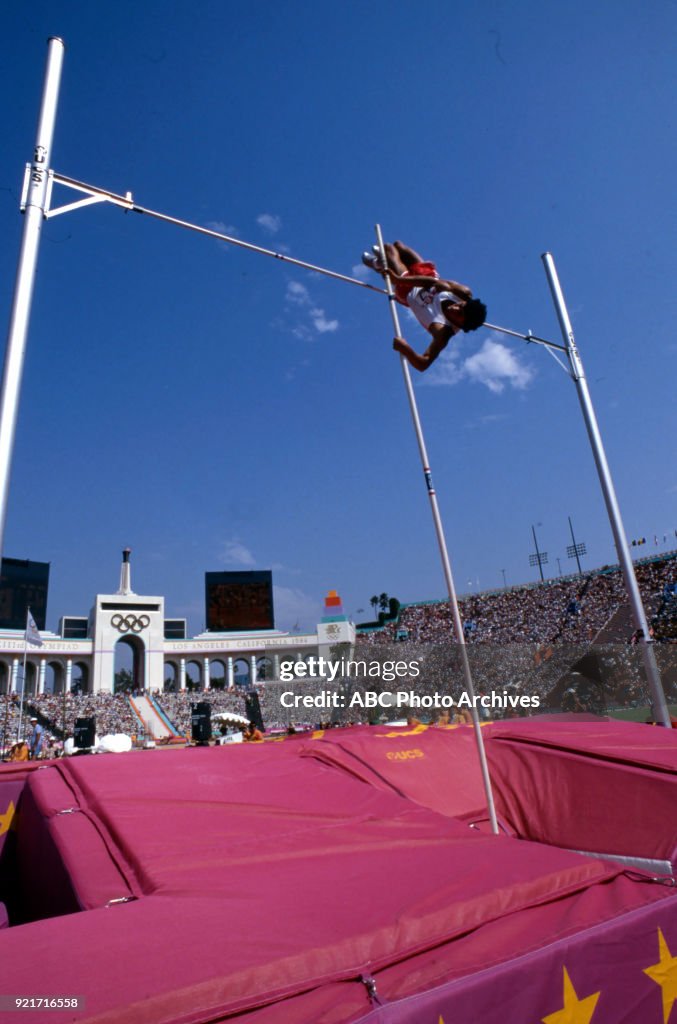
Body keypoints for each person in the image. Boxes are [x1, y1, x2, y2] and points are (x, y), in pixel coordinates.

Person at [362, 240, 486, 372]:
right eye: (460, 305)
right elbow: (432, 282)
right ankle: (383, 263)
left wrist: (406, 349)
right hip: (426, 277)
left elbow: (423, 364)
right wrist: (398, 279)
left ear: (462, 324)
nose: (454, 308)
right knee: (398, 246)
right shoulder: (464, 293)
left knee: (389, 250)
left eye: (459, 314)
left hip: (408, 291)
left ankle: (379, 264)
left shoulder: (443, 332)